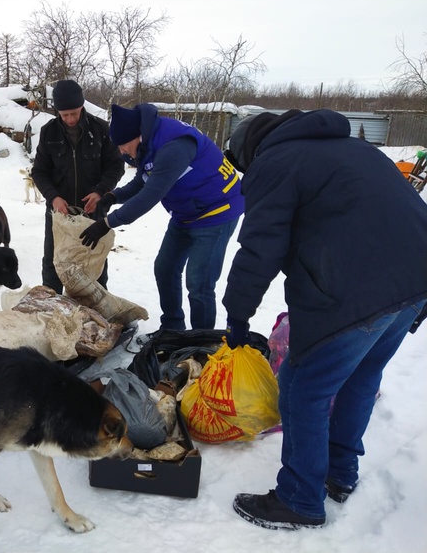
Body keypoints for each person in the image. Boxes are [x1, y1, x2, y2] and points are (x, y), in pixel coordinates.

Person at [221, 109, 427, 530]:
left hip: (356, 292)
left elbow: (261, 248)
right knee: (361, 376)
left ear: (251, 152)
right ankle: (338, 472)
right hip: (414, 282)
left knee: (302, 390)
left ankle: (299, 498)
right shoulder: (355, 149)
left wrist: (237, 313)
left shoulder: (274, 163)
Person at [79, 103, 244, 330]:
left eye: (123, 146)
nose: (121, 151)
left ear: (137, 136)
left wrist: (107, 223)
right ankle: (173, 329)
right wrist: (112, 197)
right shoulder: (147, 143)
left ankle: (202, 342)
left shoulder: (174, 147)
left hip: (216, 212)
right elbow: (143, 179)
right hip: (186, 213)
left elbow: (151, 194)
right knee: (165, 268)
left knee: (199, 282)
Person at [31, 79, 124, 293]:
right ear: (57, 111)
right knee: (54, 260)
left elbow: (116, 166)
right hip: (59, 212)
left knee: (94, 260)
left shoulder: (101, 129)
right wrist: (53, 197)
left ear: (82, 106)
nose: (71, 119)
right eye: (65, 115)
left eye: (74, 113)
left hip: (93, 210)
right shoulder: (48, 132)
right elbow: (39, 171)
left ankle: (98, 310)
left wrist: (100, 191)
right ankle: (51, 308)